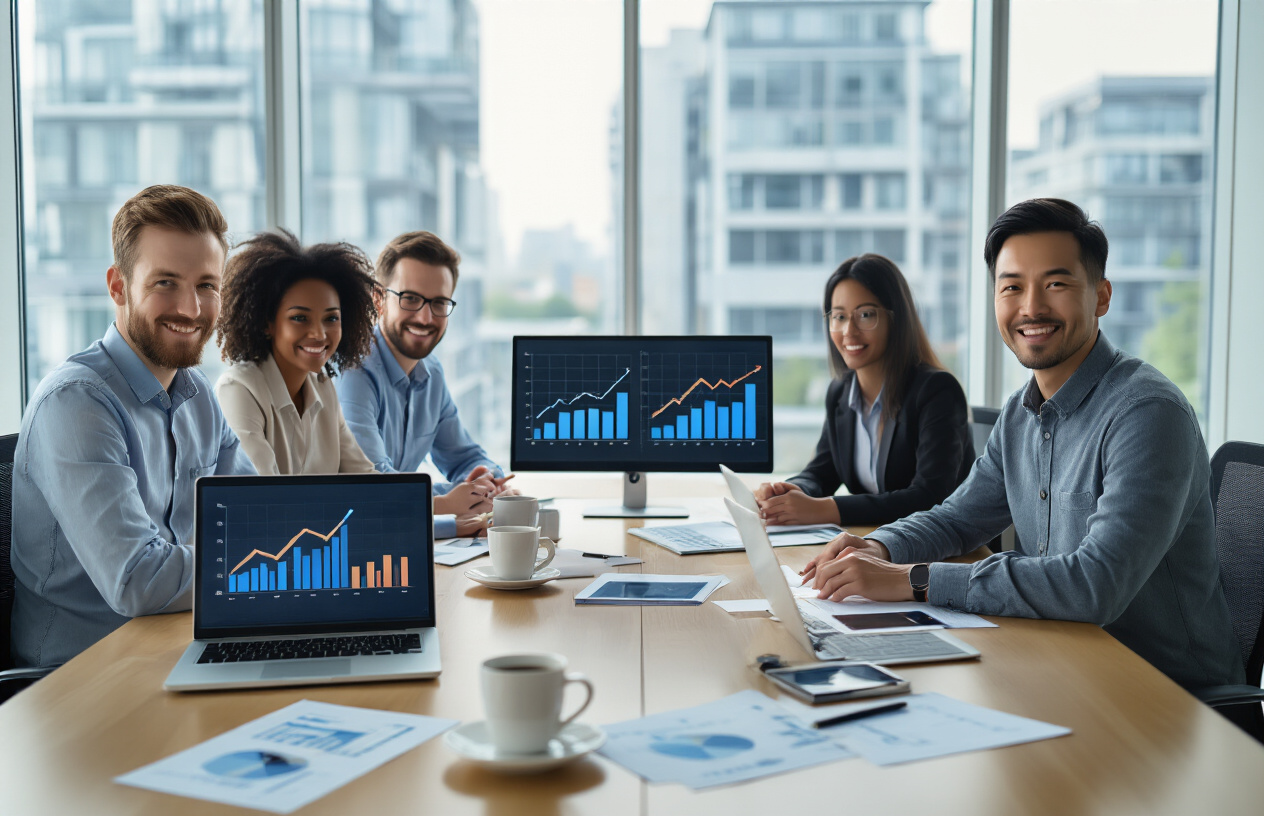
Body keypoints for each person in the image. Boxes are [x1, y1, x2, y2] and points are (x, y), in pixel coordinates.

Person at [801, 198, 1241, 689]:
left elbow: (1094, 587)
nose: (1031, 307)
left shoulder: (1147, 413)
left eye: (1055, 284)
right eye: (1012, 287)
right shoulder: (1020, 413)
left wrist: (913, 579)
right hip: (1059, 661)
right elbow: (958, 517)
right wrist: (880, 546)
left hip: (1165, 696)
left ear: (1101, 296)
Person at [10, 185, 255, 668]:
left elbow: (258, 515)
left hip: (177, 647)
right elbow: (137, 580)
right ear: (118, 286)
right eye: (165, 282)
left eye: (207, 285)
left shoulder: (197, 393)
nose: (190, 308)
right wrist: (269, 566)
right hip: (81, 681)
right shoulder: (77, 403)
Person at [756, 254, 973, 527]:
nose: (849, 330)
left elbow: (928, 498)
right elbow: (821, 473)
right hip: (875, 545)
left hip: (945, 555)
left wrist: (824, 510)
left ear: (896, 318)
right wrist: (787, 493)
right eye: (839, 317)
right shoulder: (840, 393)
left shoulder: (937, 392)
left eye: (866, 315)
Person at [336, 230, 514, 538]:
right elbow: (375, 488)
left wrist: (489, 482)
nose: (425, 317)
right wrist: (449, 501)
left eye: (439, 303)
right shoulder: (354, 371)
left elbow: (465, 456)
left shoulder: (431, 373)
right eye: (411, 299)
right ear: (379, 299)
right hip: (359, 541)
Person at [215, 229, 379, 475]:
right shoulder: (239, 389)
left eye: (331, 318)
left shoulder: (323, 388)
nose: (319, 334)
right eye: (300, 318)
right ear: (267, 323)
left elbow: (365, 481)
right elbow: (259, 496)